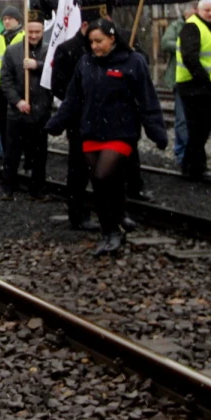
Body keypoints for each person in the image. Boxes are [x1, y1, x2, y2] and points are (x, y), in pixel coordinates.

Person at [46, 20, 168, 256]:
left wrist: (157, 132)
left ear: (112, 39)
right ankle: (111, 229)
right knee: (103, 181)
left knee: (103, 176)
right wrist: (56, 123)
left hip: (121, 132)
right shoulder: (85, 63)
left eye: (99, 41)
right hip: (91, 132)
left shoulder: (133, 63)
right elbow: (73, 98)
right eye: (91, 42)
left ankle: (113, 229)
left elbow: (147, 100)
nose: (95, 46)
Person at [49, 0, 115, 232]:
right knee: (79, 170)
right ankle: (78, 214)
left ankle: (112, 213)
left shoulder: (112, 47)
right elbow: (59, 87)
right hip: (79, 121)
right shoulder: (67, 50)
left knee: (110, 171)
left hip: (109, 119)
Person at [0, 9, 52, 199]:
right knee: (12, 154)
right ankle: (8, 189)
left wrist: (37, 65)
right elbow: (5, 80)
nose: (33, 36)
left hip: (40, 112)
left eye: (37, 32)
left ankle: (37, 190)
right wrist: (17, 101)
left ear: (43, 30)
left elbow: (54, 75)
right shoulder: (13, 51)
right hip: (17, 113)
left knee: (39, 155)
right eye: (30, 32)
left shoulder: (49, 52)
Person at [174, 1, 211, 179]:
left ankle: (192, 166)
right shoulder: (193, 27)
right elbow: (190, 57)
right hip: (193, 87)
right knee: (199, 128)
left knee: (201, 128)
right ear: (199, 10)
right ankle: (194, 167)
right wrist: (205, 79)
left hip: (203, 87)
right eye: (207, 10)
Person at [0, 7, 24, 159]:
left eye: (10, 18)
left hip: (16, 87)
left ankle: (18, 151)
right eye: (4, 19)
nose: (7, 21)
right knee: (3, 121)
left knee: (17, 122)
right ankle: (5, 152)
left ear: (18, 20)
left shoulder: (24, 38)